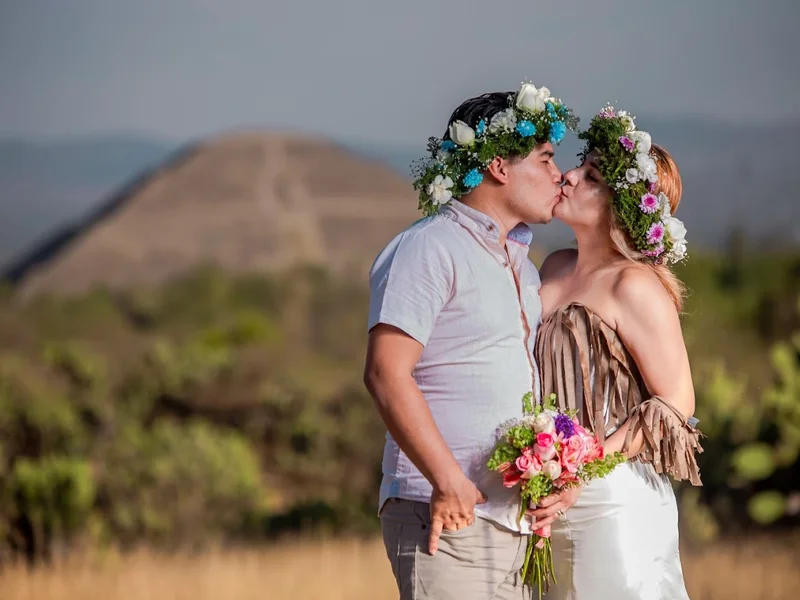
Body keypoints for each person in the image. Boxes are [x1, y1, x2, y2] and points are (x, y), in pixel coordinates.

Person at [363, 82, 577, 600]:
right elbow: (385, 373)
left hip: (517, 523)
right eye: (546, 158)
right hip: (448, 513)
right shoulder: (429, 247)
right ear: (499, 167)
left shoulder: (524, 268)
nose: (559, 174)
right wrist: (448, 480)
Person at [526, 106, 702, 599]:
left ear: (621, 208)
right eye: (579, 165)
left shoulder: (634, 285)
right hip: (543, 490)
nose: (569, 175)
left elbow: (675, 404)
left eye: (591, 176)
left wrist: (584, 465)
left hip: (611, 498)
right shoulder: (554, 266)